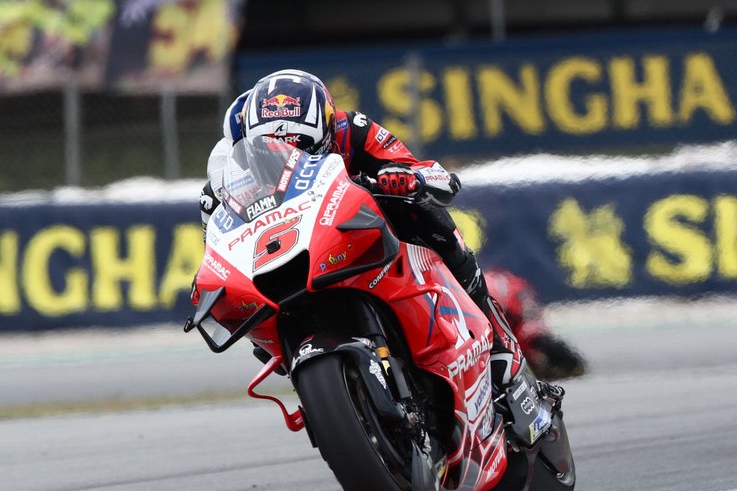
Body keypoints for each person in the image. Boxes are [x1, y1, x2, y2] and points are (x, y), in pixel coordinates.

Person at [199, 69, 529, 388]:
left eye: (304, 146)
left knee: (424, 214)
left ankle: (498, 339)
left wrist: (407, 179)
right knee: (249, 317)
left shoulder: (351, 128)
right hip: (291, 247)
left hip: (359, 223)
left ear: (327, 129)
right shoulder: (230, 171)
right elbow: (216, 243)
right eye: (278, 149)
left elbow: (432, 175)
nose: (291, 154)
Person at [484, 268, 587, 380]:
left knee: (533, 337)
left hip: (512, 314)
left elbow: (530, 323)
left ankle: (566, 364)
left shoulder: (523, 324)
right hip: (496, 318)